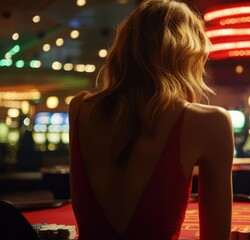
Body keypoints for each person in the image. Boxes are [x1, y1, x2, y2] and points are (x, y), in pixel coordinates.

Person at [68, 0, 234, 239]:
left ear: (124, 46)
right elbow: (216, 236)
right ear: (190, 52)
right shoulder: (211, 122)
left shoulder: (80, 108)